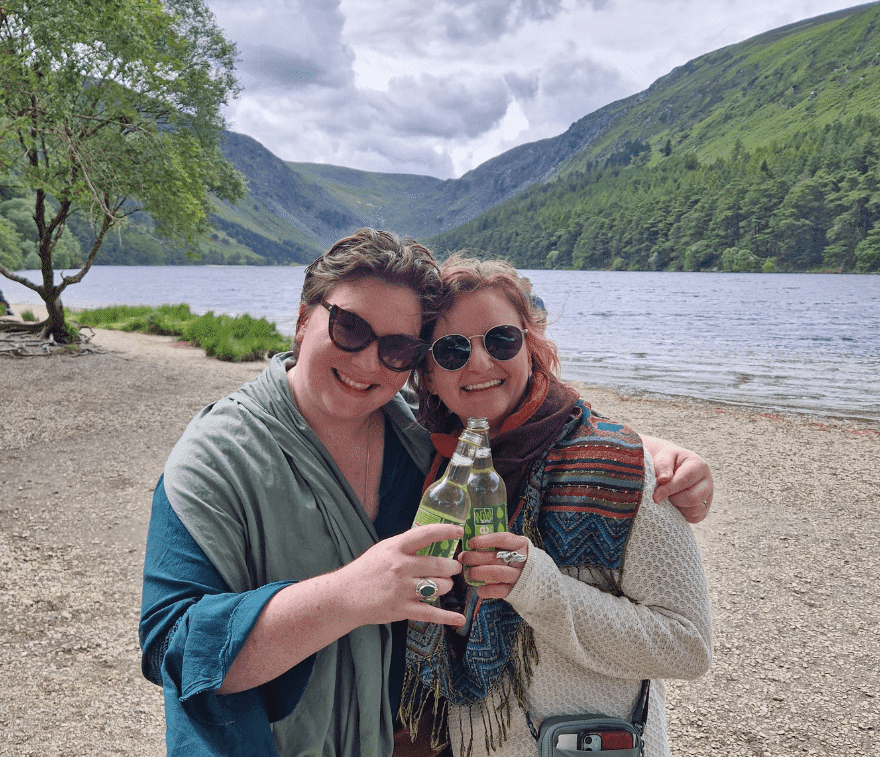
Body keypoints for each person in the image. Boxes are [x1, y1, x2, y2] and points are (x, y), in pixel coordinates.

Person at [139, 229, 714, 756]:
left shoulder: (419, 437)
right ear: (301, 321)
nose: (369, 362)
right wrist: (347, 595)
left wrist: (648, 452)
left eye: (397, 349)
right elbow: (172, 647)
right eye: (350, 328)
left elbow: (529, 429)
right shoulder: (216, 457)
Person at [401, 255, 713, 757]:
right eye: (452, 350)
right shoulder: (434, 461)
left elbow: (687, 645)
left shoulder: (618, 464)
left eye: (501, 340)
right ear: (429, 375)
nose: (480, 363)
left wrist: (537, 588)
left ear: (531, 345)